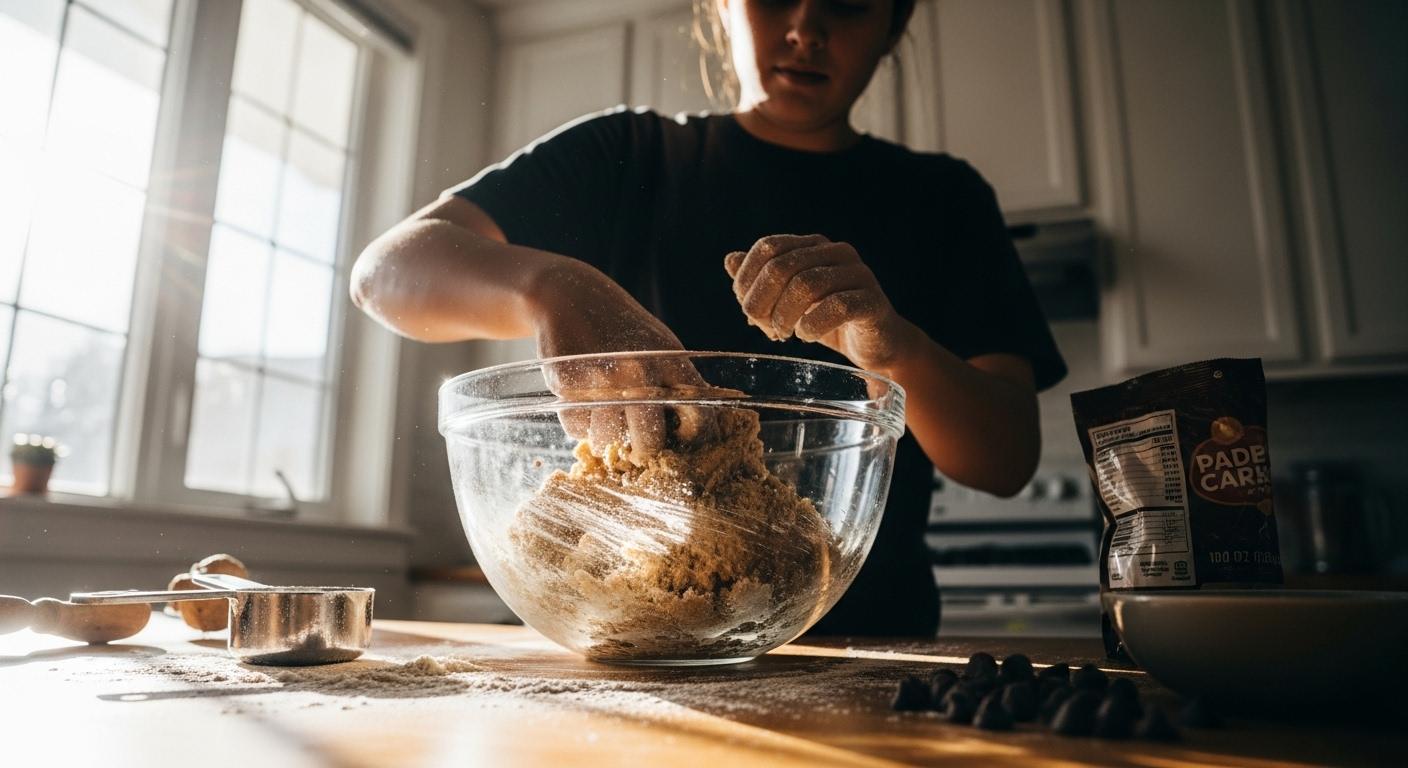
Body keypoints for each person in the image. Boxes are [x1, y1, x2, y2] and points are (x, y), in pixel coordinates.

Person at [351, 0, 1066, 636]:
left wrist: (893, 345)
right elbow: (384, 273)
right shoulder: (628, 156)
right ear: (721, 6)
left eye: (848, 6)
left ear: (894, 25)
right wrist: (555, 285)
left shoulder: (943, 199)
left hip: (868, 640)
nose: (806, 29)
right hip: (617, 628)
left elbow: (1005, 460)